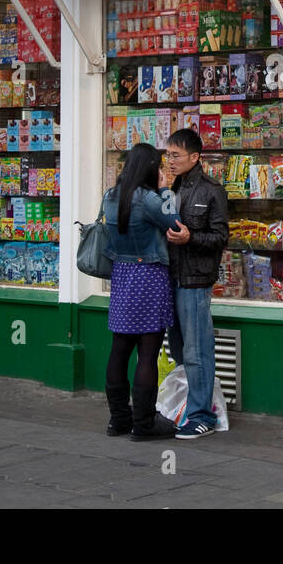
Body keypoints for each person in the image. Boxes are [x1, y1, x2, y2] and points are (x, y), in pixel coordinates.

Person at [102, 142, 184, 440]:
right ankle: (144, 423)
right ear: (150, 168)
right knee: (147, 352)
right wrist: (165, 190)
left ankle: (117, 419)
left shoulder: (111, 196)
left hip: (122, 275)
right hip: (148, 275)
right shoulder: (149, 199)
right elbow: (174, 223)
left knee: (119, 349)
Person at [164, 128, 230, 439]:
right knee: (178, 349)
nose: (170, 160)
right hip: (169, 277)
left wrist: (191, 237)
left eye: (176, 155)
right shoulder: (167, 187)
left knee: (197, 350)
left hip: (195, 280)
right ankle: (186, 407)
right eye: (168, 155)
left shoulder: (211, 190)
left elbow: (220, 238)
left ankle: (203, 416)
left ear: (195, 157)